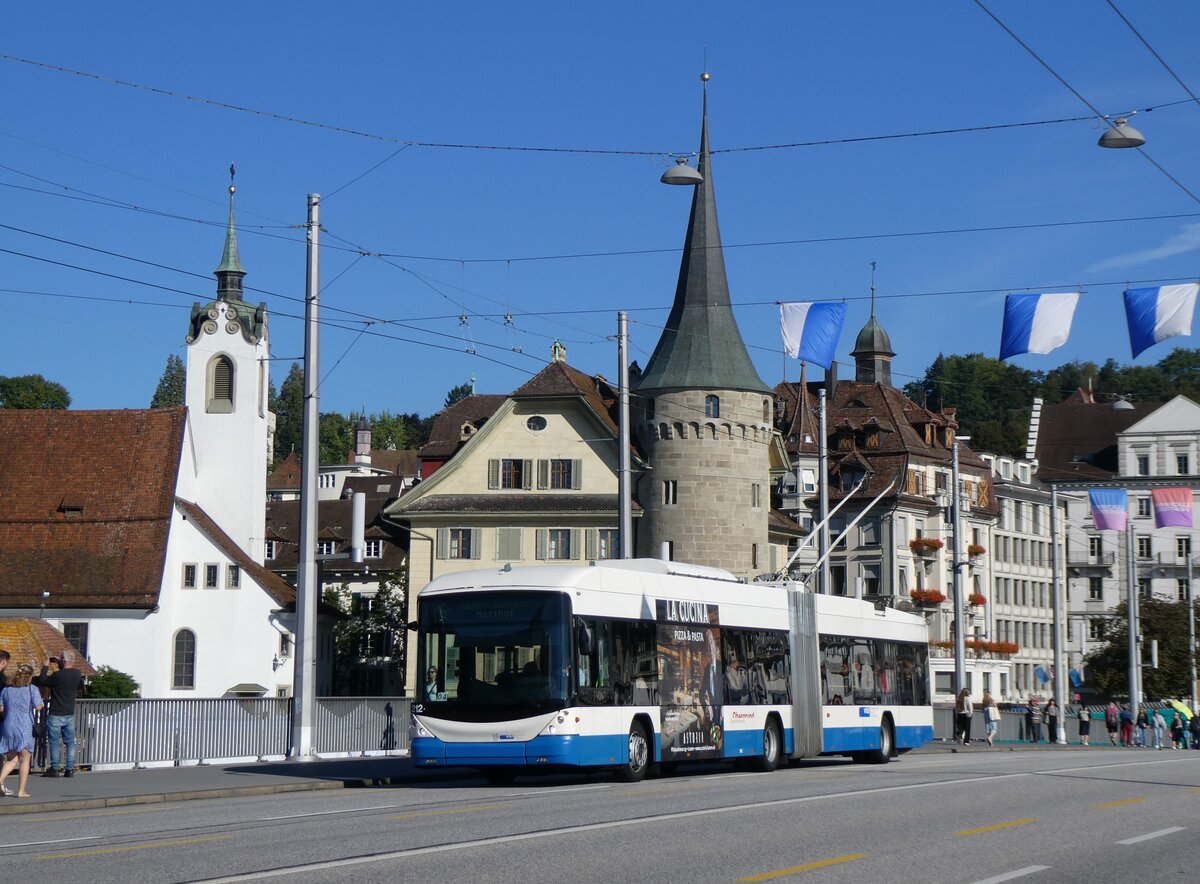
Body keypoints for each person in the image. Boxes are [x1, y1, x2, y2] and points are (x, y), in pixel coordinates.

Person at [33, 651, 83, 777]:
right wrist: (59, 662)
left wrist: (45, 665)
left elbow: (42, 681)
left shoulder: (57, 675)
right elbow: (67, 673)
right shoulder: (77, 673)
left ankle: (54, 768)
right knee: (70, 741)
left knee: (54, 741)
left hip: (56, 712)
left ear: (63, 661)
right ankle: (69, 769)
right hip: (69, 712)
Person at [0, 664, 44, 798]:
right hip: (24, 725)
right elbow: (39, 707)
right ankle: (21, 791)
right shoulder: (32, 689)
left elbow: (1, 709)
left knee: (12, 759)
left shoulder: (6, 690)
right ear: (29, 677)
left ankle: (0, 779)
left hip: (8, 725)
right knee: (25, 759)